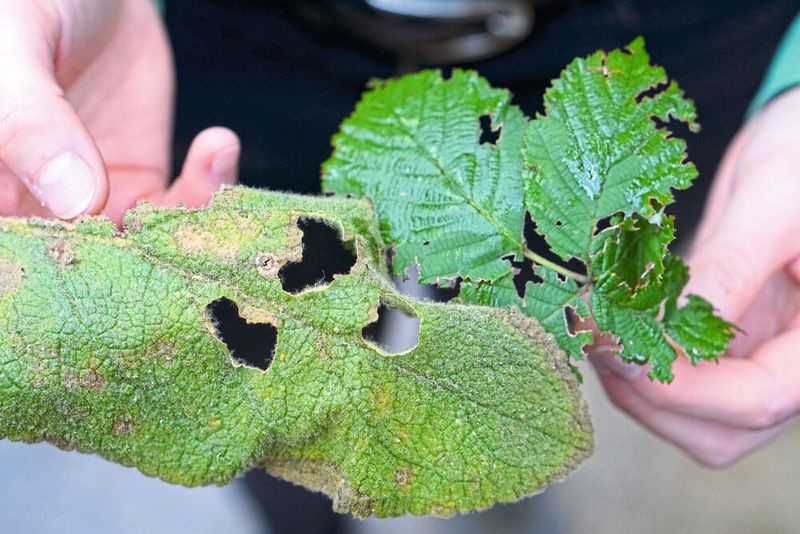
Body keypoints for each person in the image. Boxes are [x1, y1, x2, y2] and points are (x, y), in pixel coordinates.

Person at [0, 0, 798, 488]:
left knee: (526, 325)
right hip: (222, 39)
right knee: (268, 357)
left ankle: (500, 451)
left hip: (683, 28)